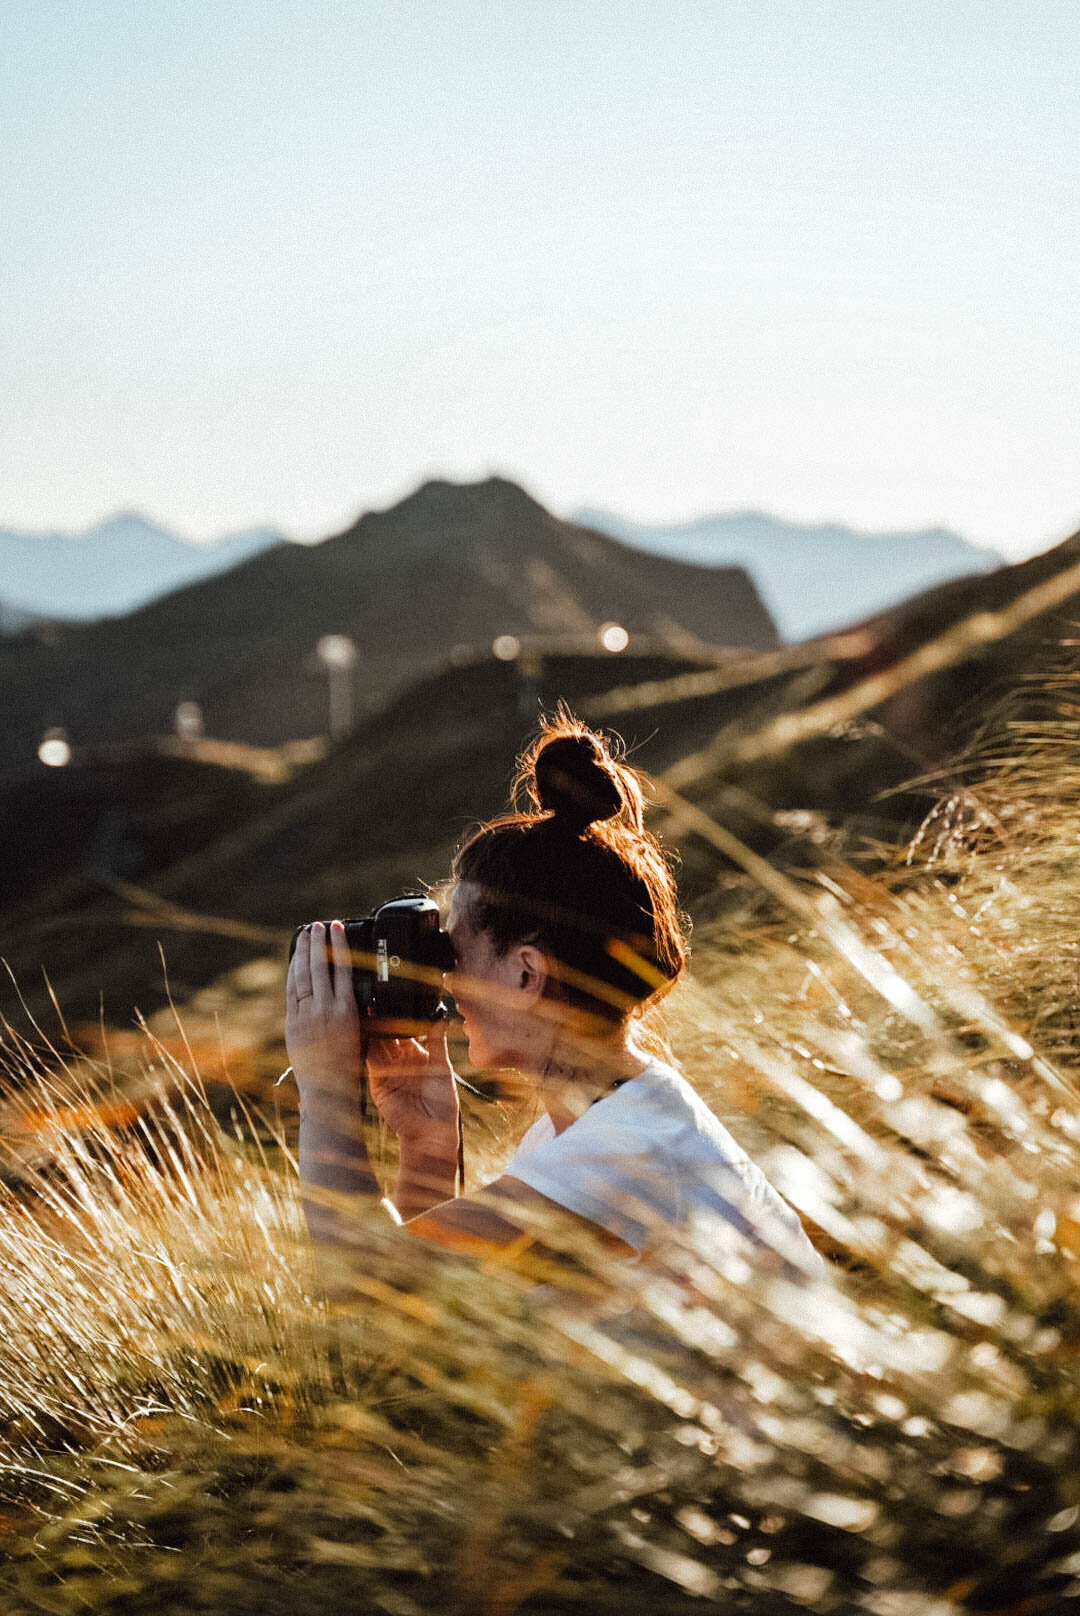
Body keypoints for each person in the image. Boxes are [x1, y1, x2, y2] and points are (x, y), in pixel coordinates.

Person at [286, 713, 820, 1275]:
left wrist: (326, 1095)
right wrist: (427, 1148)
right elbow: (438, 1308)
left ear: (526, 974)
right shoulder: (602, 1123)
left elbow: (366, 1287)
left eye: (455, 949)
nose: (444, 977)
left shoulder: (625, 1150)